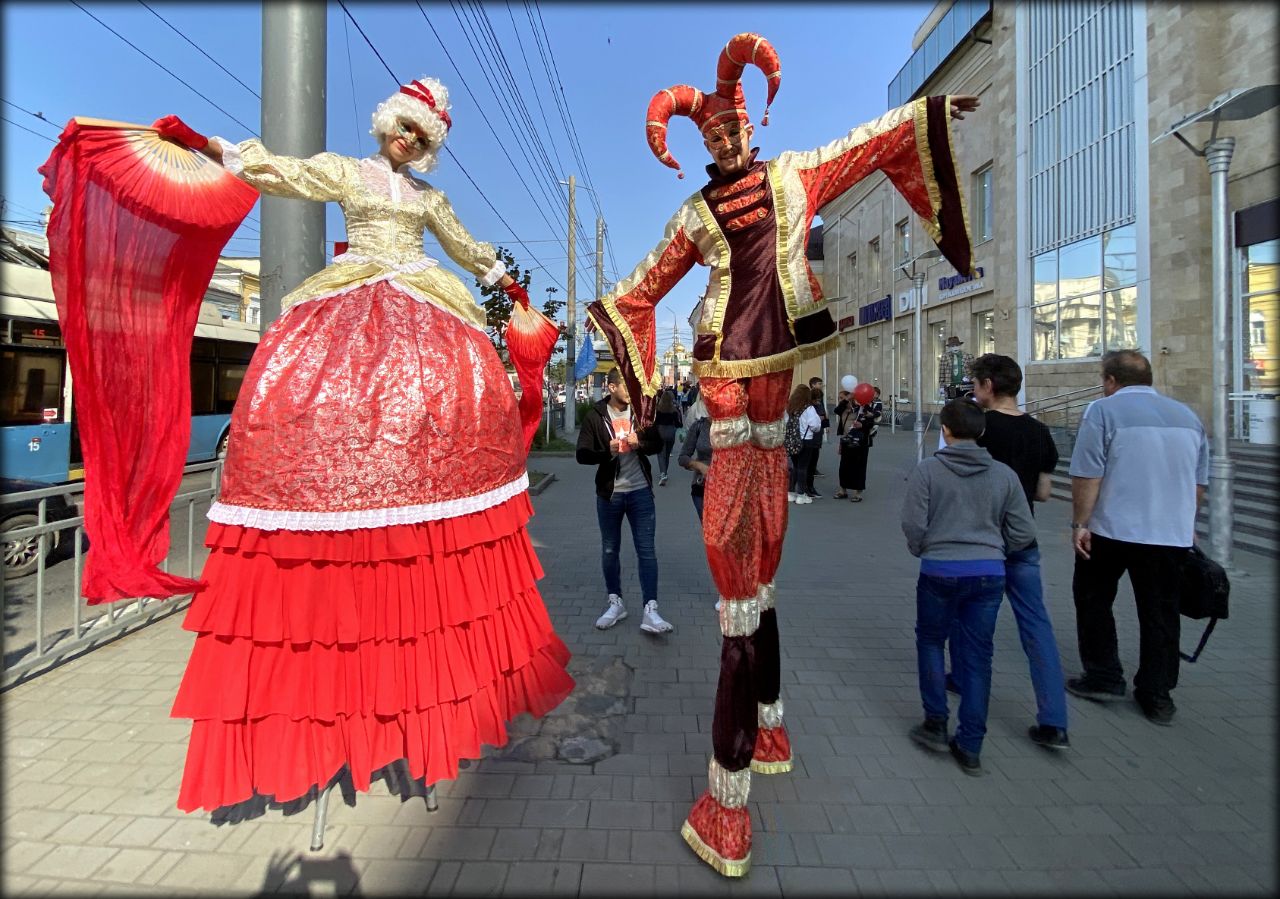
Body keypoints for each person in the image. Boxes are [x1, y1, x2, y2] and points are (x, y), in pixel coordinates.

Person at [584, 31, 979, 876]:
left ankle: (748, 763)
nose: (723, 137)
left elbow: (869, 144)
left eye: (731, 124)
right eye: (708, 132)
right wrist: (623, 349)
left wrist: (931, 112)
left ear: (749, 127)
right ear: (702, 142)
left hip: (770, 408)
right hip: (729, 405)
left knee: (757, 587)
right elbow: (641, 288)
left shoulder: (796, 175)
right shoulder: (694, 217)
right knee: (742, 593)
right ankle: (749, 759)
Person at [154, 77, 575, 817]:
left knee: (449, 392)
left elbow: (468, 248)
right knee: (312, 386)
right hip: (356, 294)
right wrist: (217, 149)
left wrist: (506, 282)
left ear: (428, 146)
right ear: (386, 126)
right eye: (401, 128)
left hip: (423, 299)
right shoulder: (349, 172)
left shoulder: (429, 201)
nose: (406, 141)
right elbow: (284, 171)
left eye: (420, 135)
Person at [1068, 350, 1208, 726]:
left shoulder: (1102, 411)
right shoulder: (1187, 417)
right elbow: (1198, 482)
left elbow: (1087, 473)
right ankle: (1157, 694)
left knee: (1093, 599)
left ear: (1110, 380)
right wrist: (1186, 521)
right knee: (1161, 613)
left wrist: (1080, 523)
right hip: (1169, 535)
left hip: (1112, 530)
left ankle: (1104, 676)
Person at [938, 354, 1070, 749]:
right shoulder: (1040, 432)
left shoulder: (977, 428)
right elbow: (1044, 492)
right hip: (1022, 539)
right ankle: (1054, 720)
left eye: (976, 384)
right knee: (1036, 624)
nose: (974, 392)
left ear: (989, 386)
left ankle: (962, 679)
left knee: (969, 617)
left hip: (980, 540)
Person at [902, 399, 1036, 776]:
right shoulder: (1004, 475)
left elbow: (913, 524)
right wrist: (994, 550)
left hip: (939, 569)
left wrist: (924, 548)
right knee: (978, 657)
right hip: (988, 574)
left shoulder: (928, 471)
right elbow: (1024, 531)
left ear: (945, 430)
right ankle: (971, 743)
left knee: (930, 642)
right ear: (981, 432)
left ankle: (935, 721)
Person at [576, 368, 674, 635]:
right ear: (611, 388)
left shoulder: (641, 413)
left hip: (641, 493)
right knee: (610, 549)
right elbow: (581, 455)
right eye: (626, 386)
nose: (631, 392)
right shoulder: (595, 416)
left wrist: (639, 441)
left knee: (646, 551)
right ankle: (615, 602)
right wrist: (604, 451)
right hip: (610, 495)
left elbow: (657, 444)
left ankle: (651, 609)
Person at [834, 390, 881, 501]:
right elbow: (837, 410)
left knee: (859, 466)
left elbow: (871, 422)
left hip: (861, 442)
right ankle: (842, 490)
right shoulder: (845, 408)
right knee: (844, 466)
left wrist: (862, 425)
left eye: (842, 398)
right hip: (846, 440)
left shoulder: (865, 408)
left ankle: (857, 493)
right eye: (840, 398)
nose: (840, 400)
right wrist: (846, 400)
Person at [679, 391, 713, 522]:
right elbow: (683, 457)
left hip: (731, 491)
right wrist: (698, 465)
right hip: (702, 488)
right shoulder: (699, 426)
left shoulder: (736, 428)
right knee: (711, 535)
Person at [786, 385, 822, 505]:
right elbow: (815, 425)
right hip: (806, 440)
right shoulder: (809, 408)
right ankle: (801, 494)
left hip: (793, 440)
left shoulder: (791, 407)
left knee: (795, 467)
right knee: (803, 467)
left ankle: (791, 492)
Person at [654, 388, 685, 486]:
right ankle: (665, 472)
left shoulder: (658, 409)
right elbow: (679, 424)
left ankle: (663, 473)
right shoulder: (674, 410)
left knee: (660, 454)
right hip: (671, 433)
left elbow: (655, 422)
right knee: (667, 454)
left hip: (660, 432)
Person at [807, 376, 829, 485]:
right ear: (813, 385)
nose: (821, 386)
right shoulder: (812, 397)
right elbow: (819, 413)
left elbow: (823, 412)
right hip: (813, 427)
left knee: (817, 448)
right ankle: (811, 469)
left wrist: (826, 425)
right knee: (813, 448)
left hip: (819, 426)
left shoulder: (820, 396)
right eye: (819, 384)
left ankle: (813, 467)